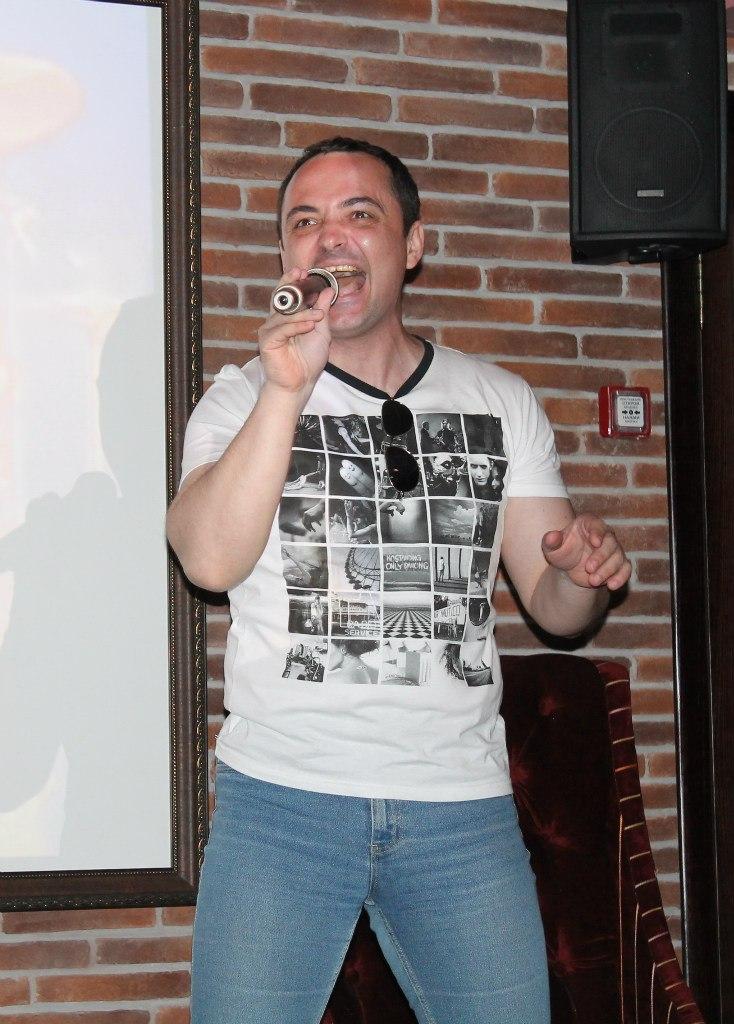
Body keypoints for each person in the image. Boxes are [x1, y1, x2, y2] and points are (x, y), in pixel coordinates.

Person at [166, 136, 631, 1024]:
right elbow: (208, 560)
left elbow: (558, 609)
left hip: (460, 812)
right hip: (282, 806)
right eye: (304, 221)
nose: (329, 237)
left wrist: (584, 572)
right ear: (286, 256)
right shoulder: (240, 399)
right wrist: (285, 391)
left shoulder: (499, 400)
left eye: (359, 214)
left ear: (411, 245)